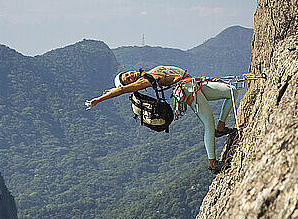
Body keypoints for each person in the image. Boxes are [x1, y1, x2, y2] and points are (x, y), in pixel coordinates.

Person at [85, 66, 238, 173]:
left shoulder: (148, 73)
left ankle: (221, 127)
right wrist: (99, 99)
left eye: (127, 74)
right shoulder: (143, 81)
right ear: (131, 84)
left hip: (195, 84)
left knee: (232, 91)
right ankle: (213, 163)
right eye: (127, 79)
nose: (130, 76)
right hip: (189, 90)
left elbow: (122, 87)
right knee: (208, 124)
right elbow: (121, 91)